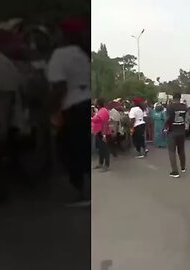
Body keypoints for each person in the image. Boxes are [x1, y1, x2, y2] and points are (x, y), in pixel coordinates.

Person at [47, 17, 91, 206]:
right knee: (83, 148)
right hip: (85, 103)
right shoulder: (83, 54)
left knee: (69, 151)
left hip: (71, 107)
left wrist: (51, 110)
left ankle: (81, 192)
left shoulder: (60, 55)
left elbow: (59, 86)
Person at [164, 93, 188, 178]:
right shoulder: (184, 106)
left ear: (173, 98)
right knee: (181, 150)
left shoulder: (170, 107)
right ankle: (183, 167)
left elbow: (168, 118)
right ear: (180, 98)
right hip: (181, 129)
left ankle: (175, 171)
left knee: (172, 151)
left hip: (172, 130)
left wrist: (165, 127)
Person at [92, 98, 110, 172]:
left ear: (98, 104)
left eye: (95, 102)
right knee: (100, 149)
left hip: (103, 133)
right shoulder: (100, 111)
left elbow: (105, 123)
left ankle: (106, 165)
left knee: (105, 149)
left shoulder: (103, 111)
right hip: (98, 132)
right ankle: (100, 163)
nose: (94, 103)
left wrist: (104, 135)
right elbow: (96, 119)